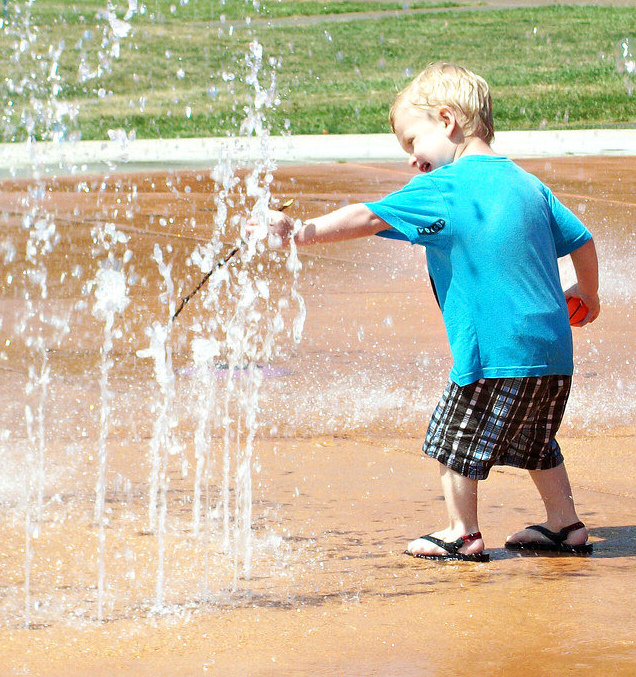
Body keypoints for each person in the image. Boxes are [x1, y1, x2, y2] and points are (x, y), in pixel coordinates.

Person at [249, 62, 599, 561]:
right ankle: (565, 525)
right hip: (552, 354)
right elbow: (582, 241)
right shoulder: (528, 185)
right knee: (536, 440)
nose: (413, 160)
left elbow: (367, 216)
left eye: (413, 142)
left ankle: (462, 532)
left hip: (492, 354)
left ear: (446, 121)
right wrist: (588, 293)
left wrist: (299, 230)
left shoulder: (445, 187)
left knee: (451, 439)